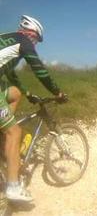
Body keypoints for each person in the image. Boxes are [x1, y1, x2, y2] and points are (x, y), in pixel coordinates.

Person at [0, 15, 66, 202]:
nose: (35, 44)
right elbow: (40, 70)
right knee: (15, 132)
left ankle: (2, 133)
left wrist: (27, 93)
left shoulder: (8, 39)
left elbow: (10, 73)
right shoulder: (24, 42)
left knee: (14, 93)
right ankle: (13, 188)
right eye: (36, 39)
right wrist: (57, 91)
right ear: (30, 33)